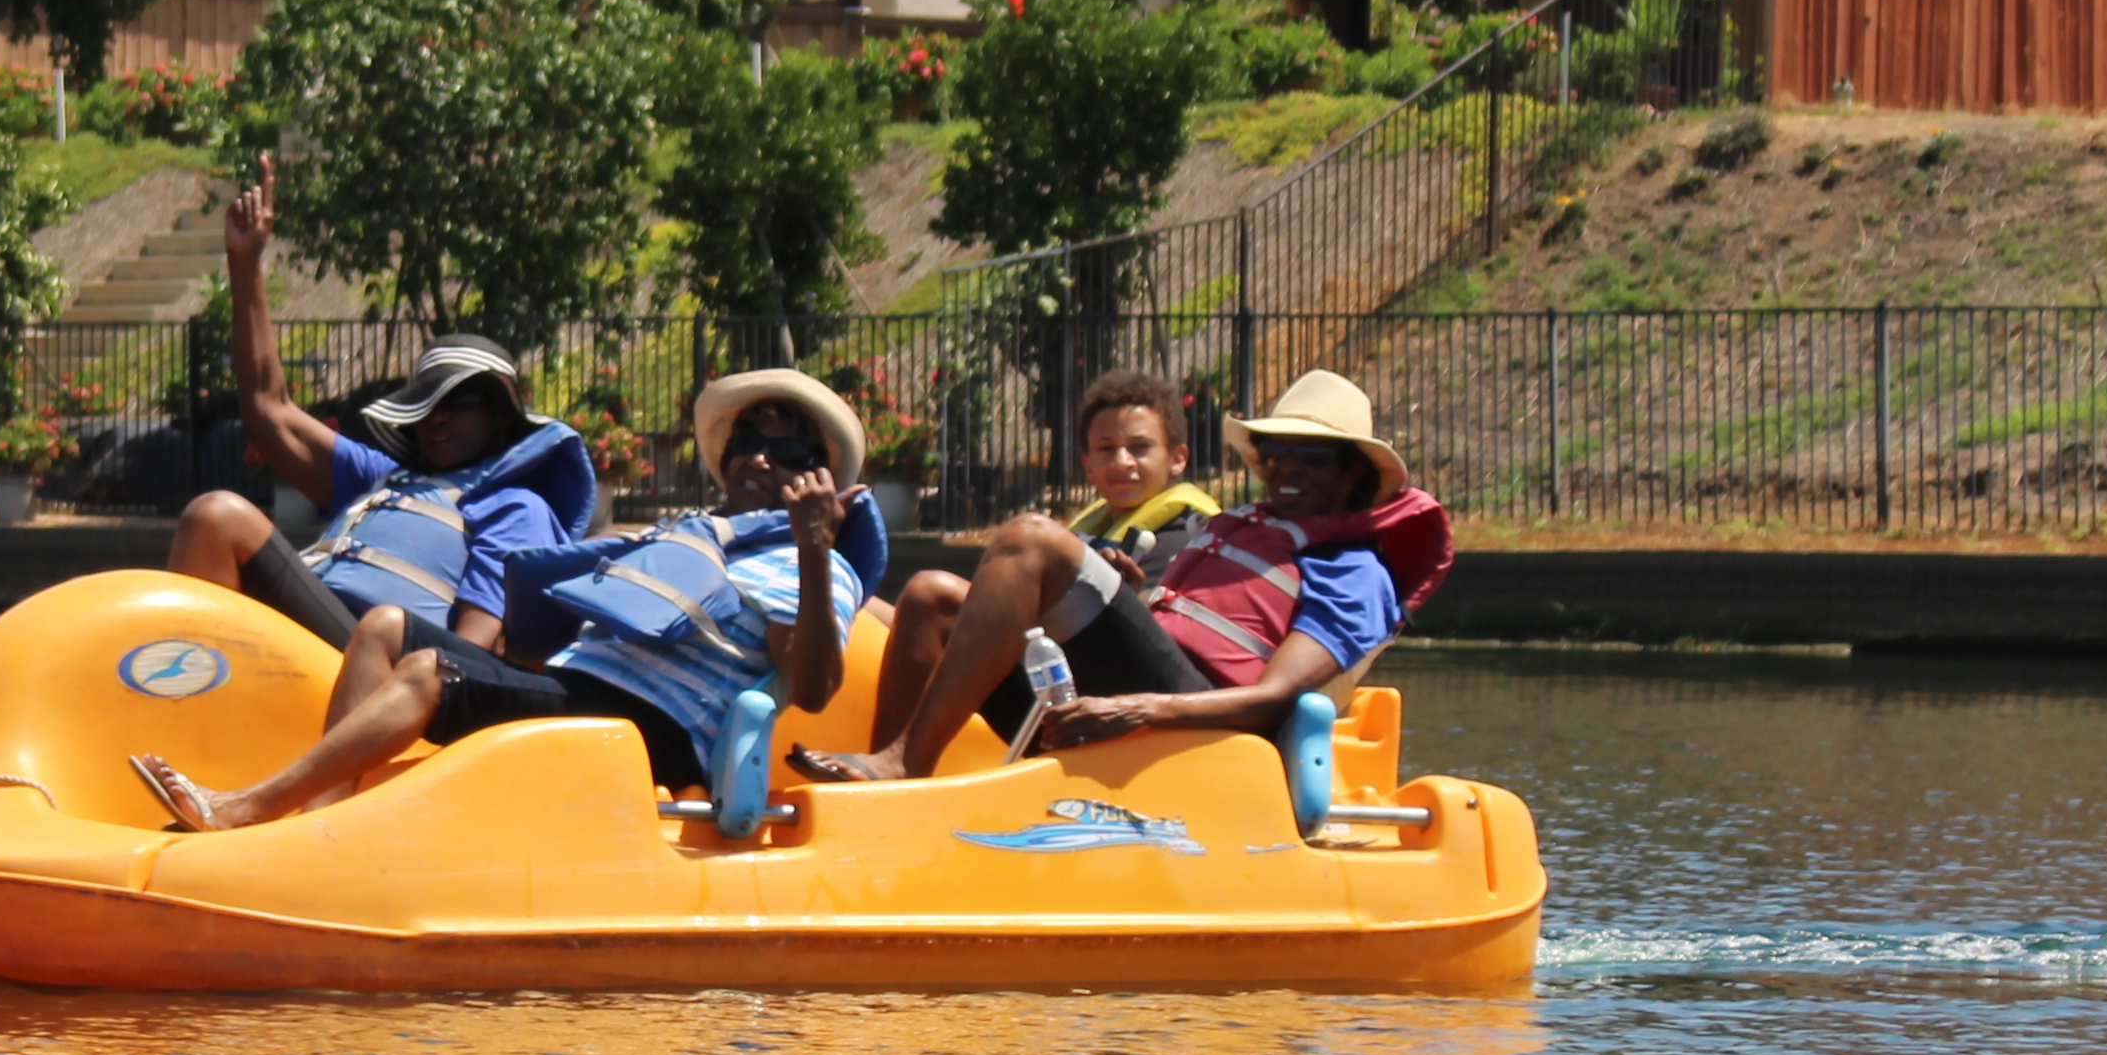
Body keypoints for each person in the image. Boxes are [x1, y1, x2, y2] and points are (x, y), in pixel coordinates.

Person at [137, 372, 886, 833]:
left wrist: (818, 549)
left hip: (655, 731)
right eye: (746, 441)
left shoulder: (808, 559)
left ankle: (248, 808)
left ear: (817, 475)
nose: (759, 457)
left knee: (431, 669)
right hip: (581, 690)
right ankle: (319, 825)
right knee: (386, 628)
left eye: (786, 452)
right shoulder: (693, 536)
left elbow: (814, 687)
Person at [802, 367, 1454, 785]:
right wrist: (1129, 592)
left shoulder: (1354, 570)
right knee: (932, 597)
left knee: (1031, 538)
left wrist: (1137, 707)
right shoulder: (1242, 525)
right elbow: (1171, 624)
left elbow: (1273, 699)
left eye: (1310, 455)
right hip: (1140, 684)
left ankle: (903, 766)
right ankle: (892, 784)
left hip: (1203, 734)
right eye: (1274, 450)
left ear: (1354, 472)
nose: (1286, 466)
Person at [161, 151, 597, 666]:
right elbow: (268, 410)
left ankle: (177, 698)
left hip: (373, 660)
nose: (438, 417)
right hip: (303, 627)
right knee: (208, 531)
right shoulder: (384, 477)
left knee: (219, 517)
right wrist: (245, 261)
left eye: (461, 400)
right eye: (425, 404)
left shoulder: (515, 507)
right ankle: (171, 700)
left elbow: (474, 653)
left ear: (501, 414)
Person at [1058, 366, 1221, 574]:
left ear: (1178, 459)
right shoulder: (1089, 535)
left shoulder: (1191, 542)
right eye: (1106, 448)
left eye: (1140, 446)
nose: (1122, 461)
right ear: (1088, 465)